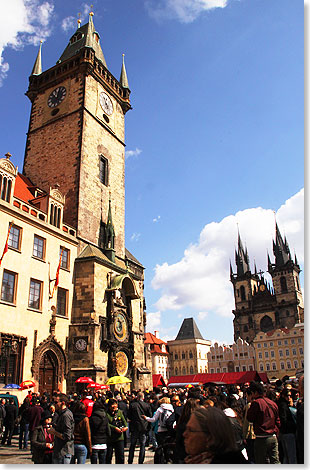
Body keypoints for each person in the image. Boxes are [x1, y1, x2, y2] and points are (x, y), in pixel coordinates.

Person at [246, 381, 280, 464]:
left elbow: (249, 418)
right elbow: (278, 420)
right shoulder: (272, 403)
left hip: (261, 437)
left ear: (256, 392)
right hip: (273, 436)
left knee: (261, 462)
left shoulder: (256, 403)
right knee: (275, 461)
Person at [50, 393, 75, 464]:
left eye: (56, 402)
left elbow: (67, 436)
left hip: (64, 451)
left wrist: (54, 432)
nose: (54, 405)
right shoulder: (60, 414)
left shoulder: (66, 415)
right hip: (59, 451)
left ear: (63, 403)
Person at [127, 392, 151, 464]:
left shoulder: (132, 405)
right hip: (143, 427)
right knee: (142, 445)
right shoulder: (147, 405)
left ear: (137, 397)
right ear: (143, 397)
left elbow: (129, 416)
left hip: (134, 427)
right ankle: (141, 461)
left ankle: (130, 460)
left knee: (132, 445)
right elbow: (149, 416)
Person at [277, 388, 297, 463]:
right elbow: (284, 419)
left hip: (284, 432)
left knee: (287, 456)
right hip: (288, 433)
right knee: (291, 456)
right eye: (287, 395)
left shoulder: (282, 404)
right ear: (283, 395)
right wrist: (293, 425)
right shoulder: (283, 406)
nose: (289, 397)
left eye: (290, 396)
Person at [106, 398, 128, 464]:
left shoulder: (119, 412)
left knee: (120, 456)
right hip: (110, 438)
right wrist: (114, 428)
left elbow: (125, 422)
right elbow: (106, 424)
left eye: (115, 405)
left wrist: (125, 427)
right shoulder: (106, 414)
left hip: (119, 437)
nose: (114, 407)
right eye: (112, 406)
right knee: (109, 456)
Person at [89, 399, 110, 464]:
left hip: (94, 443)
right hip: (103, 443)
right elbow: (108, 430)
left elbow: (90, 431)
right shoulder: (105, 417)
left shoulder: (92, 418)